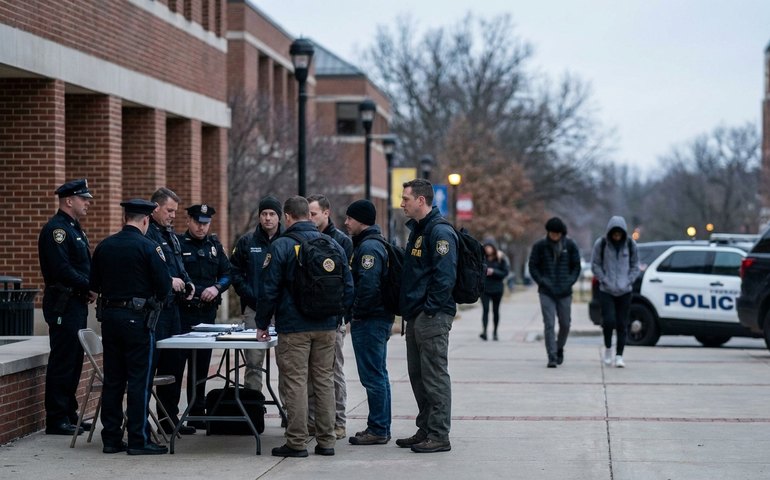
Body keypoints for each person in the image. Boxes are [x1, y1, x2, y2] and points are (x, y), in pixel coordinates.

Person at [254, 196, 354, 458]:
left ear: (287, 217)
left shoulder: (281, 245)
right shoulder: (332, 244)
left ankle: (297, 442)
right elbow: (349, 286)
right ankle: (327, 440)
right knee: (324, 381)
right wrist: (338, 317)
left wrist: (262, 323)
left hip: (294, 327)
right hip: (327, 326)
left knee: (296, 383)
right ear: (308, 216)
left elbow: (269, 289)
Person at [90, 199, 172, 455]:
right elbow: (164, 286)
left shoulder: (105, 245)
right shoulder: (149, 247)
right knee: (139, 380)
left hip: (110, 318)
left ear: (125, 217)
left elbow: (94, 284)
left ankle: (111, 438)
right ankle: (138, 439)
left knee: (113, 380)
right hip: (138, 320)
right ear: (146, 220)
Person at [396, 178, 457, 454]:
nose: (402, 204)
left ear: (421, 200)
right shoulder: (419, 230)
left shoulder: (439, 232)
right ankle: (426, 428)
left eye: (406, 199)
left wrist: (430, 309)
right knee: (418, 375)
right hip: (417, 313)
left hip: (431, 315)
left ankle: (439, 434)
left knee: (434, 376)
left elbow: (445, 277)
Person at [37, 179, 97, 436]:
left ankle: (69, 414)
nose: (88, 203)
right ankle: (56, 418)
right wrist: (90, 285)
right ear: (69, 201)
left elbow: (82, 265)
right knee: (63, 360)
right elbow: (62, 269)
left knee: (74, 360)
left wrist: (88, 287)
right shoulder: (57, 230)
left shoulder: (74, 229)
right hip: (63, 303)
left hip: (76, 302)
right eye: (84, 199)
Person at [343, 199, 394, 446]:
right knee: (378, 374)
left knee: (373, 376)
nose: (346, 222)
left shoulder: (369, 248)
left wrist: (356, 312)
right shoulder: (370, 243)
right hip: (376, 318)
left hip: (371, 320)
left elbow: (369, 286)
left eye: (350, 218)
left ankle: (378, 428)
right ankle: (380, 425)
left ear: (361, 220)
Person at [145, 187, 195, 434]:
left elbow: (179, 266)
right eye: (169, 210)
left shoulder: (171, 235)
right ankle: (142, 421)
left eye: (175, 211)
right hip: (156, 311)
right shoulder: (148, 234)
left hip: (174, 310)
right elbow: (150, 269)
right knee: (150, 367)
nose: (173, 215)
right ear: (156, 208)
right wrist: (168, 281)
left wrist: (188, 283)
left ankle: (169, 419)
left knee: (173, 367)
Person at [177, 204, 231, 427]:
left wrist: (217, 288)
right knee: (177, 365)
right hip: (183, 314)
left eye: (205, 223)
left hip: (207, 314)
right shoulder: (178, 244)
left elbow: (228, 273)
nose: (201, 227)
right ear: (189, 221)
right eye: (198, 222)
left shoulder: (214, 246)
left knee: (201, 366)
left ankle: (197, 413)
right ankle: (170, 415)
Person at [307, 193, 353, 440]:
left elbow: (348, 283)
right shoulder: (305, 239)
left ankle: (338, 422)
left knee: (333, 372)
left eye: (313, 214)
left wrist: (342, 315)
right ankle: (313, 421)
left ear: (326, 213)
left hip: (333, 319)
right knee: (310, 374)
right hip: (309, 318)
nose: (310, 218)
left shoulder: (341, 242)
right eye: (307, 214)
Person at [230, 196, 283, 393]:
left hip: (282, 311)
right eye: (264, 214)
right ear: (259, 216)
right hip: (254, 309)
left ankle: (289, 408)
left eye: (272, 214)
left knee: (287, 364)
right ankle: (253, 406)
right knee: (253, 363)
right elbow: (234, 271)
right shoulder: (246, 241)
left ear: (279, 217)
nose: (268, 218)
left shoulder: (288, 240)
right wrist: (249, 294)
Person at [528, 217, 582, 368]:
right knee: (549, 324)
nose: (554, 236)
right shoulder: (540, 246)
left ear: (562, 233)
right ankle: (551, 356)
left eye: (557, 234)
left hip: (565, 292)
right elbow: (533, 266)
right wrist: (542, 281)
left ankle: (559, 347)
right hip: (546, 291)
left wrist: (569, 282)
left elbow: (576, 266)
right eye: (552, 233)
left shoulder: (570, 245)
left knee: (565, 324)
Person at [591, 215, 640, 368]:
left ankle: (619, 355)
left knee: (622, 324)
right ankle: (608, 349)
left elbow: (635, 266)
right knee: (609, 321)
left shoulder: (630, 245)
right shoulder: (601, 244)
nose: (617, 237)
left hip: (625, 290)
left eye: (619, 234)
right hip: (607, 289)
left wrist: (629, 280)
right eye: (614, 234)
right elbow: (595, 264)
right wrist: (603, 279)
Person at [479, 242, 509, 342]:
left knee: (496, 311)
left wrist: (493, 271)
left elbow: (505, 273)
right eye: (486, 248)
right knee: (485, 310)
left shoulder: (500, 258)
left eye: (490, 248)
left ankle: (495, 332)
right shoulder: (482, 258)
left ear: (493, 248)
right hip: (485, 289)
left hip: (497, 289)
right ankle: (484, 332)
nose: (488, 250)